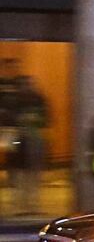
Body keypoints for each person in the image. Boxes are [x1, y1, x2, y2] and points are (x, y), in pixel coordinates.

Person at [7, 76, 48, 214]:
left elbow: (45, 119)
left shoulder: (37, 99)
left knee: (32, 173)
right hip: (19, 139)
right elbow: (9, 119)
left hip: (33, 139)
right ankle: (22, 204)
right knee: (20, 173)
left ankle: (32, 204)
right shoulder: (14, 101)